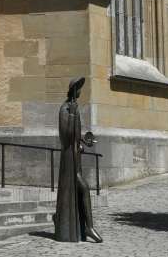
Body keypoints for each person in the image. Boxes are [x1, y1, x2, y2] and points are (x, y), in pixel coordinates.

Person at [54, 77, 102, 243]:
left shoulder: (74, 108)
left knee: (81, 188)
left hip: (76, 157)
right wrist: (73, 113)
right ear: (74, 90)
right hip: (68, 159)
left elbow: (74, 135)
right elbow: (65, 136)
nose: (81, 91)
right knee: (84, 188)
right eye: (79, 88)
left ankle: (77, 224)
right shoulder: (65, 109)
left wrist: (83, 142)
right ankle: (88, 227)